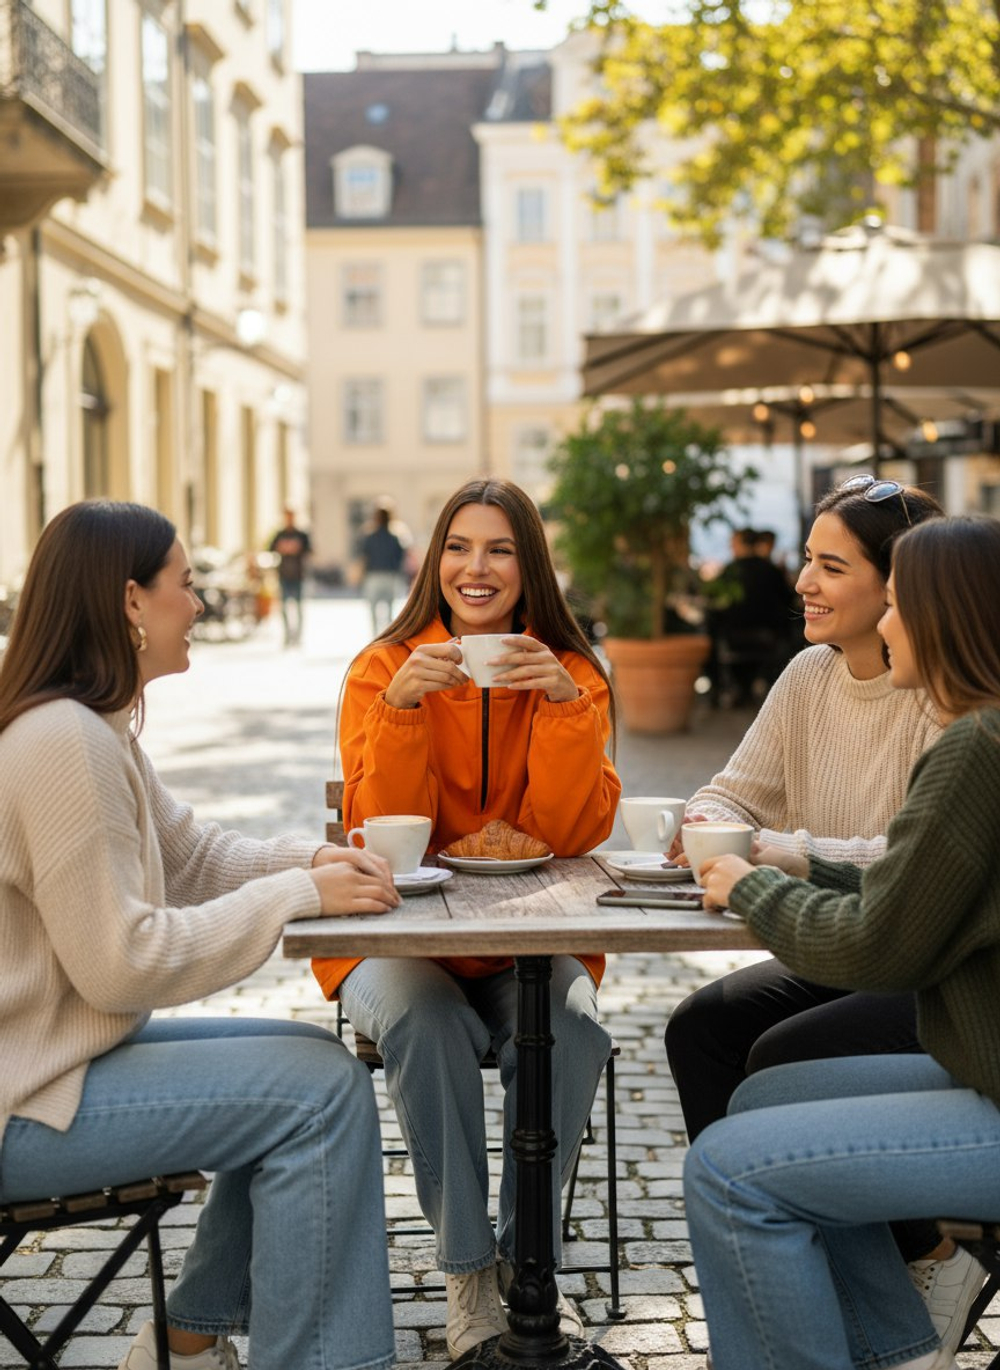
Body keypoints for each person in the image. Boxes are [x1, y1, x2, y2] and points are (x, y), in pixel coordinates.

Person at [0, 501, 399, 1370]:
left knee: (311, 1066)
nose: (202, 605)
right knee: (315, 1094)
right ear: (131, 602)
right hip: (23, 1100)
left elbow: (194, 854)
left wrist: (317, 860)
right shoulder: (63, 740)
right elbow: (121, 964)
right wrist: (299, 896)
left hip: (53, 1068)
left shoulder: (90, 726)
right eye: (186, 586)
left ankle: (185, 1341)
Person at [665, 480, 985, 1348]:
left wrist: (766, 872)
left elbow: (893, 920)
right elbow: (742, 793)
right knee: (726, 1047)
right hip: (923, 979)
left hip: (945, 1002)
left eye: (830, 565)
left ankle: (907, 1278)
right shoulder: (819, 677)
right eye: (806, 558)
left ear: (910, 599)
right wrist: (708, 828)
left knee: (756, 1111)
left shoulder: (966, 738)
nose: (804, 580)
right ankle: (889, 1337)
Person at [312, 477, 621, 1358]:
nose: (475, 568)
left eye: (499, 549)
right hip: (398, 944)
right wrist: (402, 710)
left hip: (528, 938)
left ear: (530, 566)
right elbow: (386, 840)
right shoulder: (382, 667)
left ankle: (533, 1270)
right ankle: (468, 1274)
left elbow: (570, 832)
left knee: (567, 1025)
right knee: (424, 1021)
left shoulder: (574, 672)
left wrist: (562, 707)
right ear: (432, 558)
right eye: (457, 546)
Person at [705, 525, 797, 705]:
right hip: (768, 635)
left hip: (733, 634)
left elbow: (712, 600)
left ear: (740, 544)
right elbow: (788, 601)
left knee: (709, 629)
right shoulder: (771, 570)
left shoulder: (730, 571)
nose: (731, 547)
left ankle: (718, 689)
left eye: (733, 543)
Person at [359, 504, 406, 635]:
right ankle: (388, 637)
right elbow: (401, 558)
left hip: (374, 576)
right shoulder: (396, 537)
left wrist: (361, 576)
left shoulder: (369, 536)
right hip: (391, 576)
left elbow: (364, 557)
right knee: (390, 610)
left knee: (373, 609)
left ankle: (375, 636)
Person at [268, 506, 311, 646]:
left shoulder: (301, 534)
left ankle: (298, 637)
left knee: (298, 607)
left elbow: (309, 550)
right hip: (284, 575)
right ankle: (287, 635)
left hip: (298, 575)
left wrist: (297, 548)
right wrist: (282, 547)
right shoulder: (279, 534)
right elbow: (270, 548)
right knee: (284, 607)